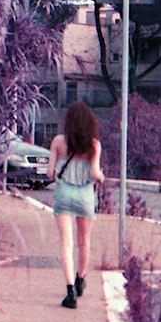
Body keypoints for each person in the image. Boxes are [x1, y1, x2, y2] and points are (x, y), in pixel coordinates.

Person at [45, 101, 105, 309]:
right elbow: (95, 173)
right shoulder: (93, 145)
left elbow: (49, 173)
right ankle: (81, 279)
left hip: (63, 194)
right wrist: (102, 177)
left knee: (66, 243)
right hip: (85, 196)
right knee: (84, 241)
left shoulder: (58, 142)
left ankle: (69, 292)